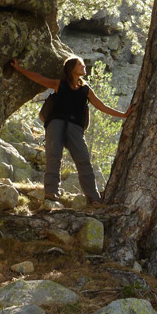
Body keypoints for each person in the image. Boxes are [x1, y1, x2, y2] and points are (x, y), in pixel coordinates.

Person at [10, 57, 132, 207]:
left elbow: (102, 106)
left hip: (75, 128)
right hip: (55, 123)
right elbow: (39, 78)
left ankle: (94, 198)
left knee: (83, 160)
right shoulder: (59, 84)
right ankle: (52, 191)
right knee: (54, 155)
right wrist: (20, 69)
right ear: (71, 68)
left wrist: (123, 115)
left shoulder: (86, 90)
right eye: (80, 64)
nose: (83, 66)